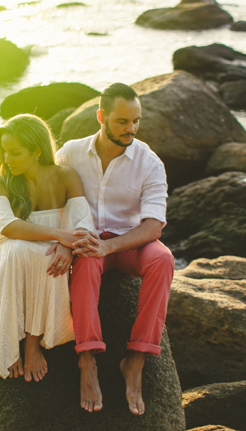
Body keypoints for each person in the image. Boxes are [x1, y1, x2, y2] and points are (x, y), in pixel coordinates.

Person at [56, 83, 174, 416]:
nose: (131, 129)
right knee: (88, 264)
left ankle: (135, 361)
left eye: (136, 120)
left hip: (127, 242)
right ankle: (87, 359)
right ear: (101, 117)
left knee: (163, 259)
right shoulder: (69, 154)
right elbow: (51, 203)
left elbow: (154, 226)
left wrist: (109, 246)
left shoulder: (149, 162)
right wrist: (65, 243)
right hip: (87, 241)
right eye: (123, 121)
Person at [0, 114, 95, 383]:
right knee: (20, 251)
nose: (7, 159)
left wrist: (67, 248)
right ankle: (7, 346)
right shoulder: (0, 183)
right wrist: (60, 236)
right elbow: (8, 227)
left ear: (36, 151)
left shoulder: (66, 176)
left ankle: (31, 343)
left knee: (46, 257)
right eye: (4, 152)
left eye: (15, 152)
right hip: (5, 253)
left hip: (45, 252)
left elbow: (83, 224)